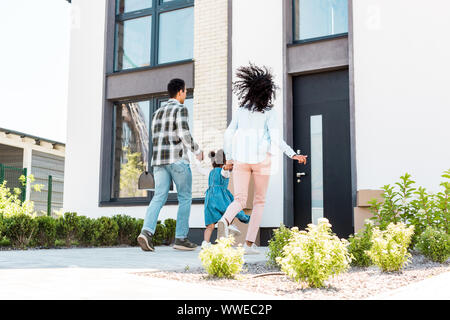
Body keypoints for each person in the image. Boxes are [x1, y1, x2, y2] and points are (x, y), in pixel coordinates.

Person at [219, 63, 307, 255]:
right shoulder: (268, 112)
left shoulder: (241, 111)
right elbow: (276, 139)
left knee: (240, 199)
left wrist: (230, 157)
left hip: (241, 160)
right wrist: (293, 154)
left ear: (250, 89)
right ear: (268, 92)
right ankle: (248, 245)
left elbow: (228, 134)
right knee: (259, 201)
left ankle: (225, 220)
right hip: (261, 160)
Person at [137, 78, 204, 252]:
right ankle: (181, 238)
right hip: (177, 160)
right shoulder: (180, 108)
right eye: (185, 92)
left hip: (159, 162)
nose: (185, 95)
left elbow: (154, 138)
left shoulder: (157, 113)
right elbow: (183, 132)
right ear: (180, 92)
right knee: (185, 197)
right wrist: (197, 150)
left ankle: (147, 232)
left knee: (159, 197)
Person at [192, 149, 250, 249]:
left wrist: (198, 160)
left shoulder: (210, 172)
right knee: (228, 214)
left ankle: (205, 243)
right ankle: (229, 232)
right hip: (220, 199)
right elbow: (225, 169)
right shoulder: (224, 171)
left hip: (209, 200)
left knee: (210, 225)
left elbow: (199, 169)